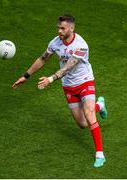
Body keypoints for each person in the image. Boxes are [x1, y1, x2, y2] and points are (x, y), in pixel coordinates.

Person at [12, 15, 108, 168]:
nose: (59, 31)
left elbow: (68, 67)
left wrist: (50, 79)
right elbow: (43, 59)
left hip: (85, 81)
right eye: (58, 27)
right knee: (82, 124)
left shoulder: (81, 45)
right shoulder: (55, 42)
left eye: (62, 28)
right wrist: (26, 76)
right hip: (68, 85)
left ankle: (100, 154)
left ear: (72, 28)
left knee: (89, 116)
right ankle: (100, 106)